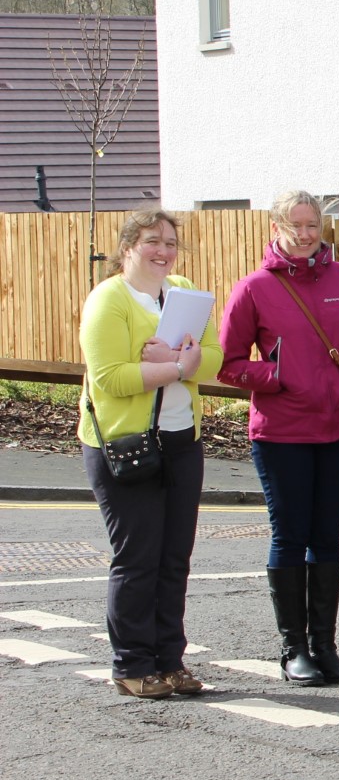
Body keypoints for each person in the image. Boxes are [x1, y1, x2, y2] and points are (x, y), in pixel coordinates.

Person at [218, 190, 339, 686]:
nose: (306, 235)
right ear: (276, 229)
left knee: (327, 538)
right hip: (282, 433)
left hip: (338, 429)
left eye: (312, 225)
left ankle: (326, 647)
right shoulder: (254, 288)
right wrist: (275, 376)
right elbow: (228, 364)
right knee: (291, 536)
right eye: (296, 226)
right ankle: (294, 650)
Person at [77, 209, 224, 699]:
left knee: (174, 558)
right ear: (128, 248)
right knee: (137, 557)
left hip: (182, 441)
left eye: (170, 242)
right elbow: (111, 379)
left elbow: (216, 357)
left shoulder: (183, 290)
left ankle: (169, 660)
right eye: (152, 241)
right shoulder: (109, 300)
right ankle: (132, 664)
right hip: (125, 445)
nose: (163, 251)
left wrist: (179, 363)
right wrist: (176, 367)